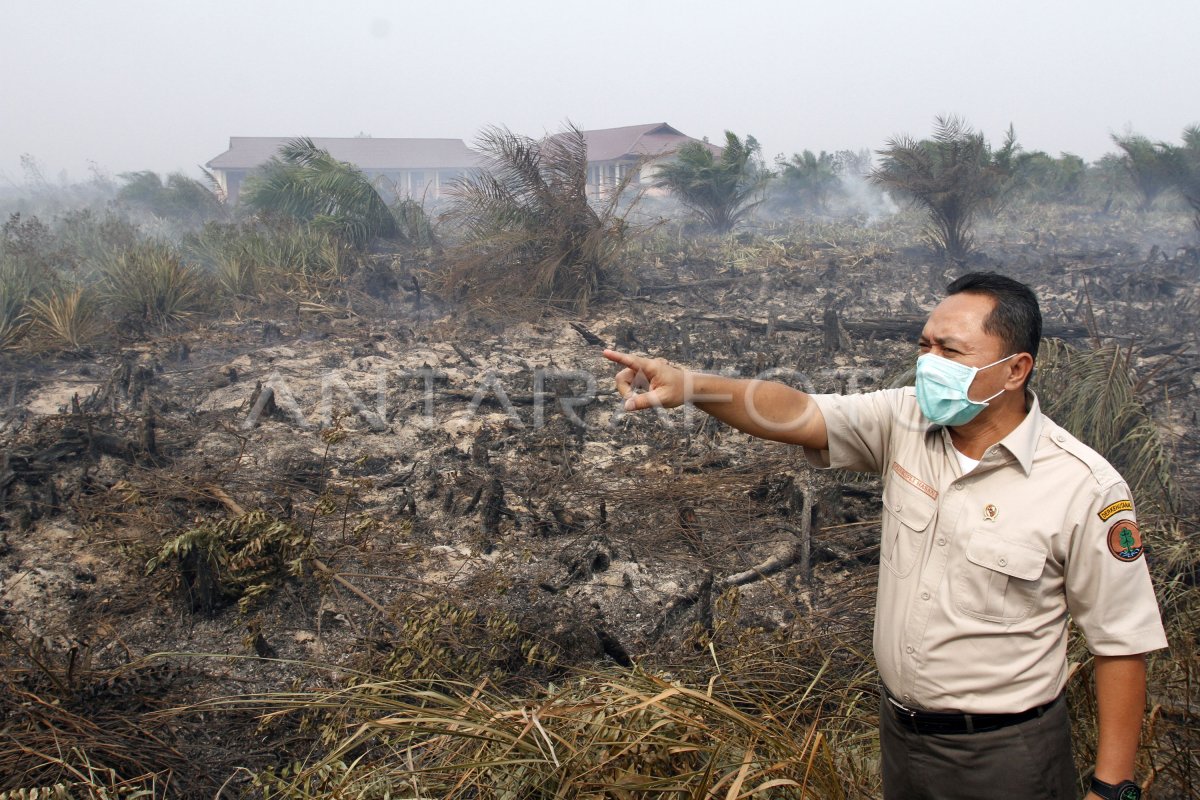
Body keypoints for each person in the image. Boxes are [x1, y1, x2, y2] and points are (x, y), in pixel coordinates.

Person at [603, 272, 1166, 800]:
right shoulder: (906, 420)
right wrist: (693, 386)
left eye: (951, 351)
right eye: (925, 346)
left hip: (1006, 755)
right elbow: (800, 412)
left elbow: (1121, 640)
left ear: (1015, 370)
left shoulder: (1083, 487)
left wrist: (1113, 786)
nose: (928, 364)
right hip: (900, 739)